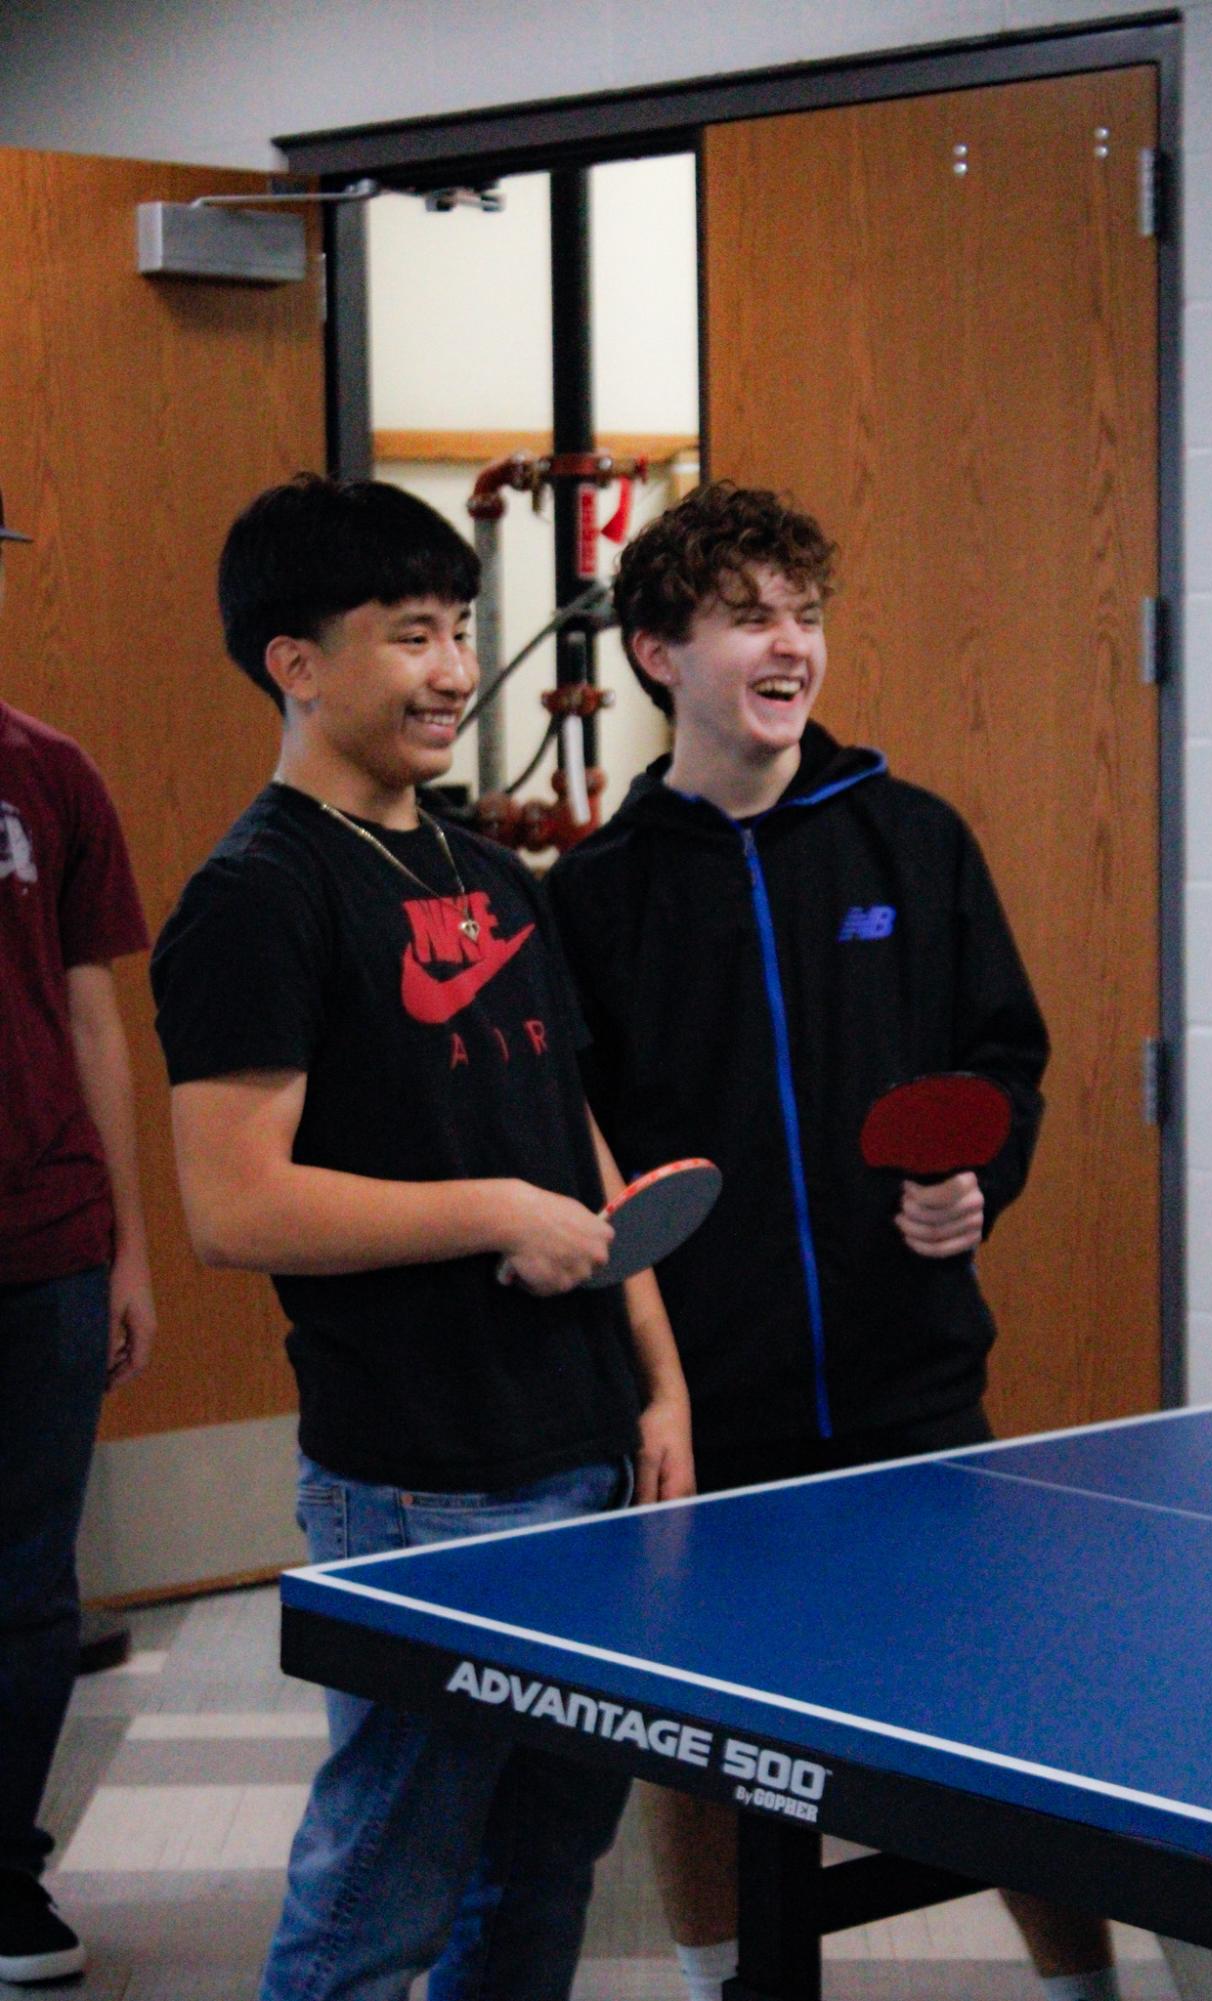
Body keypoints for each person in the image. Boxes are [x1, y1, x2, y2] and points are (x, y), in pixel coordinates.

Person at [544, 481, 1121, 2001]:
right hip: (705, 1399)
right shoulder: (596, 896)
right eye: (748, 616)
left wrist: (975, 1181)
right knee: (699, 1735)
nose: (789, 644)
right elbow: (577, 1150)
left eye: (803, 612)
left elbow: (998, 1064)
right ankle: (723, 1977)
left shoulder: (909, 840)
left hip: (908, 1380)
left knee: (994, 1726)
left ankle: (1086, 1987)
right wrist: (637, 1364)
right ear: (663, 651)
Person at [150, 473, 692, 2001]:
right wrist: (491, 1217)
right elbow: (234, 1204)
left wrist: (655, 1377)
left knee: (542, 1864)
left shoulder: (482, 871)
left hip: (581, 1445)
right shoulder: (257, 898)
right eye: (411, 634)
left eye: (460, 627)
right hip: (420, 1475)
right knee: (389, 1873)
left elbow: (564, 1132)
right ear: (297, 661)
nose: (455, 667)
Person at [0, 485, 155, 1984]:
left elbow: (97, 1010)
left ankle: (2, 1873)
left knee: (28, 1580)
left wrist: (125, 1245)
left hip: (41, 1242)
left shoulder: (48, 773)